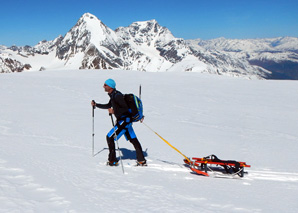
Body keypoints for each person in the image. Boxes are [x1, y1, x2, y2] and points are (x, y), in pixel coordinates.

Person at [91, 79, 146, 166]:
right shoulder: (113, 95)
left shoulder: (117, 96)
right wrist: (96, 105)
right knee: (133, 139)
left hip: (124, 121)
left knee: (110, 137)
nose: (103, 86)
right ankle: (141, 160)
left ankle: (112, 160)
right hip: (126, 121)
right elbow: (108, 105)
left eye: (105, 85)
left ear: (110, 86)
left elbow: (125, 109)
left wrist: (114, 112)